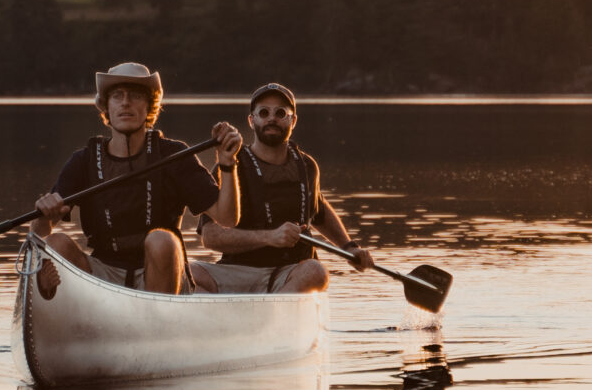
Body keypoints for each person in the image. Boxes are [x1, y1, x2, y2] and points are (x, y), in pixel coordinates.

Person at [35, 63, 242, 294]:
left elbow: (228, 218)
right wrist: (43, 216)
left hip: (162, 273)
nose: (126, 102)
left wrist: (227, 163)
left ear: (149, 107)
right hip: (103, 273)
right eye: (117, 96)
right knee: (55, 244)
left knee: (161, 239)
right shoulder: (83, 161)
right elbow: (39, 233)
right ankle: (60, 306)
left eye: (135, 96)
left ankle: (157, 322)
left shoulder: (173, 154)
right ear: (106, 108)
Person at [195, 82, 374, 294]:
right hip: (237, 272)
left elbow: (319, 209)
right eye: (264, 112)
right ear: (252, 121)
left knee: (316, 271)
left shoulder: (307, 166)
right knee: (186, 272)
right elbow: (210, 237)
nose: (272, 118)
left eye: (281, 113)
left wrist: (349, 247)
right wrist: (270, 237)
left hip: (290, 274)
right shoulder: (228, 165)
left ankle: (273, 315)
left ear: (293, 120)